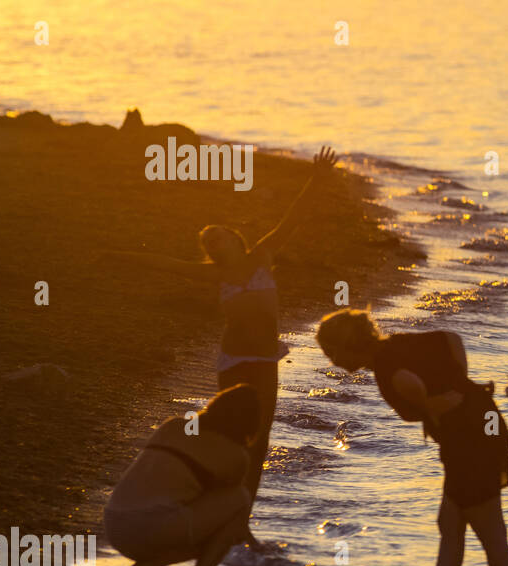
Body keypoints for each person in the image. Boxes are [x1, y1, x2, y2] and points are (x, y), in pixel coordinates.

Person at [108, 147, 339, 539]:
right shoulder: (212, 274)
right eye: (208, 243)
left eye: (218, 237)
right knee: (228, 437)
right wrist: (116, 255)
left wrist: (317, 179)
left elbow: (294, 219)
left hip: (264, 357)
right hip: (233, 360)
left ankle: (240, 520)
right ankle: (217, 509)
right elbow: (163, 263)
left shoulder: (264, 254)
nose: (213, 245)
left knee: (260, 437)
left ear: (236, 238)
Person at [315, 308, 508, 566]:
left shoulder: (385, 368)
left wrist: (428, 405)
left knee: (491, 534)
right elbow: (452, 339)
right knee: (450, 525)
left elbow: (408, 381)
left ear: (346, 346)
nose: (330, 360)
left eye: (330, 352)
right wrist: (458, 383)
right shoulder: (396, 344)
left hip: (471, 443)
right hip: (479, 429)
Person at [104, 384, 260, 566]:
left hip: (114, 525)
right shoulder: (236, 455)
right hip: (151, 530)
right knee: (239, 501)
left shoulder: (175, 425)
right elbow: (222, 513)